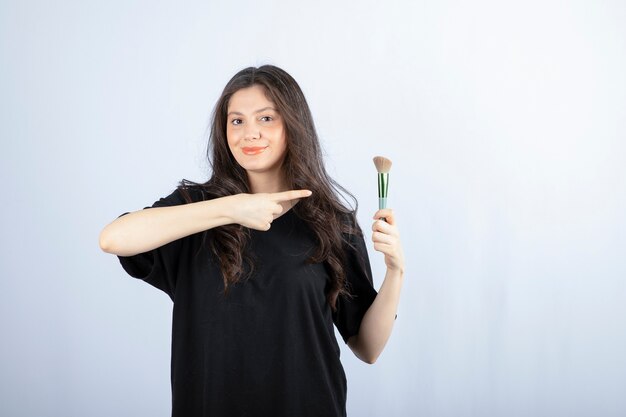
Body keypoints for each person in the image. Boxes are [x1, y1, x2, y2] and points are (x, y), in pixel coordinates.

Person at [99, 65, 405, 417]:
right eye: (237, 121)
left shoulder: (330, 221)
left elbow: (367, 347)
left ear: (293, 124)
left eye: (266, 118)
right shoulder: (195, 210)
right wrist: (233, 208)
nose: (250, 134)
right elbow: (113, 238)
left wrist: (396, 272)